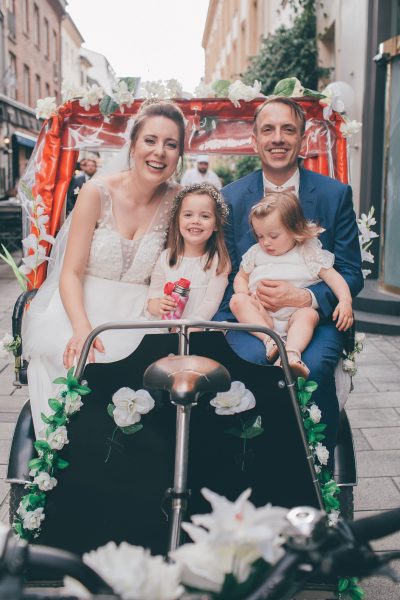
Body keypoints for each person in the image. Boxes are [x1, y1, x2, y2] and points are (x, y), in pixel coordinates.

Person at [23, 100, 186, 437]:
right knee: (68, 362)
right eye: (151, 140)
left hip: (140, 312)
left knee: (151, 377)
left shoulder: (179, 200)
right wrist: (82, 328)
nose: (160, 152)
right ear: (134, 143)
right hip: (83, 305)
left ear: (179, 154)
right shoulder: (97, 192)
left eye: (171, 144)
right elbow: (70, 272)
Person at [216, 96, 364, 461]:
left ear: (303, 140)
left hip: (313, 320)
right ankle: (250, 463)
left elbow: (349, 272)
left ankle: (316, 472)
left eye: (288, 130)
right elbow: (226, 270)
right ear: (254, 140)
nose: (278, 138)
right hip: (252, 321)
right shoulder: (230, 198)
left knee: (311, 370)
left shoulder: (334, 195)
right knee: (251, 366)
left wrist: (307, 299)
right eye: (268, 129)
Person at [230, 192, 353, 378]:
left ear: (294, 229)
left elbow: (334, 278)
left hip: (295, 315)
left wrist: (345, 300)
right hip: (264, 316)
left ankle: (291, 354)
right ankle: (270, 341)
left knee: (308, 315)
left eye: (273, 235)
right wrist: (244, 293)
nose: (265, 242)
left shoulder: (308, 251)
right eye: (260, 236)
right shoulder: (255, 253)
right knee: (237, 301)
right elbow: (241, 277)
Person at [147, 183, 230, 321]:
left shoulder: (218, 261)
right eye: (188, 215)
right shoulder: (166, 258)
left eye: (205, 216)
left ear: (216, 224)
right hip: (165, 332)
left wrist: (187, 328)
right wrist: (159, 305)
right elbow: (151, 300)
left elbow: (211, 303)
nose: (195, 221)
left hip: (198, 332)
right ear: (178, 219)